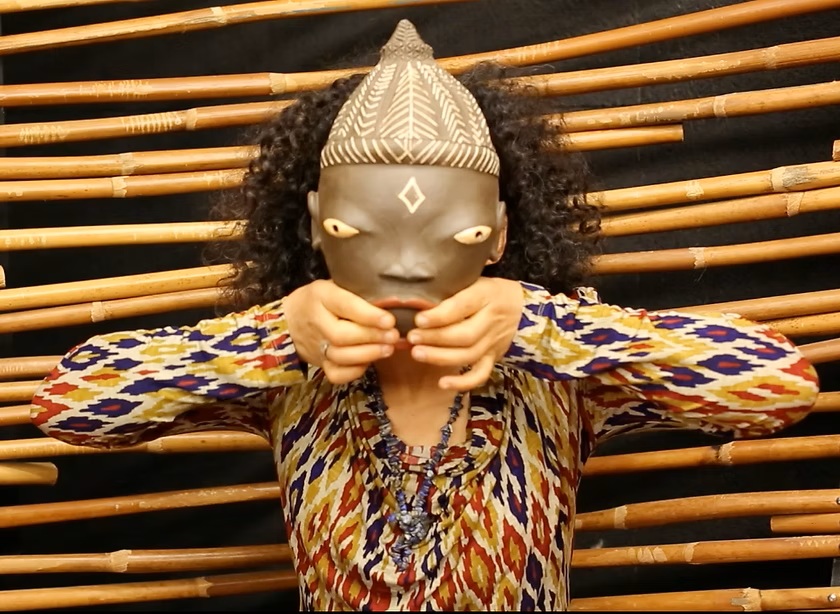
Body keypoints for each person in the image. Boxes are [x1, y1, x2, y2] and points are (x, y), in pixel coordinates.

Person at [30, 20, 819, 611]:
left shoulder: (562, 374)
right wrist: (270, 338)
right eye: (361, 229)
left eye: (454, 232)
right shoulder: (287, 377)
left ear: (500, 234)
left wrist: (544, 327)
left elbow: (781, 386)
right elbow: (68, 405)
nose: (406, 263)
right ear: (316, 225)